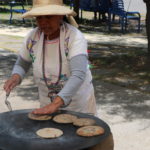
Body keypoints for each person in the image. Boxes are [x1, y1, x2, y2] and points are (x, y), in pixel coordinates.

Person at [3, 0, 114, 149]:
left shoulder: (73, 37)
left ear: (60, 16)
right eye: (39, 18)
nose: (43, 22)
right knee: (51, 143)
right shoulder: (32, 38)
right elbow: (23, 63)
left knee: (79, 144)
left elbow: (79, 74)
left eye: (48, 17)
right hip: (47, 106)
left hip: (78, 106)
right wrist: (15, 77)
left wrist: (55, 104)